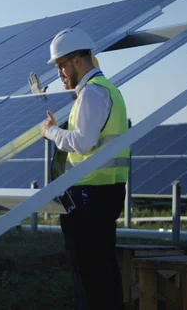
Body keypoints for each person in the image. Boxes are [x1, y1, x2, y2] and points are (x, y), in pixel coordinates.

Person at [37, 27, 130, 310]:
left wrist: (52, 132)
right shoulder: (104, 90)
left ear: (78, 60)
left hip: (91, 196)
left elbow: (82, 142)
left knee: (89, 276)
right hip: (103, 193)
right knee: (101, 273)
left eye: (61, 66)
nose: (59, 74)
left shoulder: (92, 94)